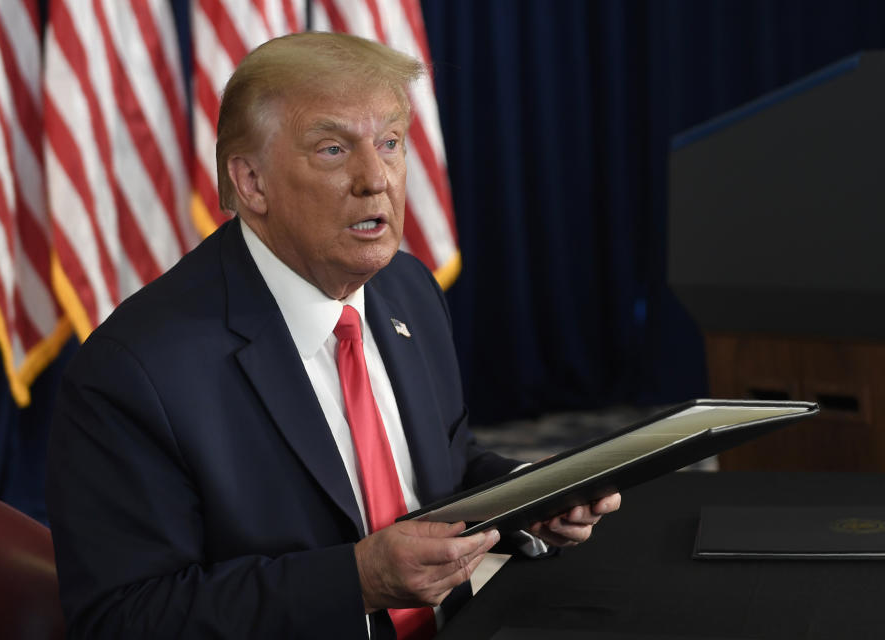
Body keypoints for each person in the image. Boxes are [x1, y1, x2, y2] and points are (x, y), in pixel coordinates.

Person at [47, 32, 620, 639]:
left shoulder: (408, 290)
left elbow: (439, 471)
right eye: (331, 150)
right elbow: (125, 620)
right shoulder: (133, 373)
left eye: (391, 143)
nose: (376, 179)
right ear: (251, 182)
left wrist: (532, 499)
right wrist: (357, 581)